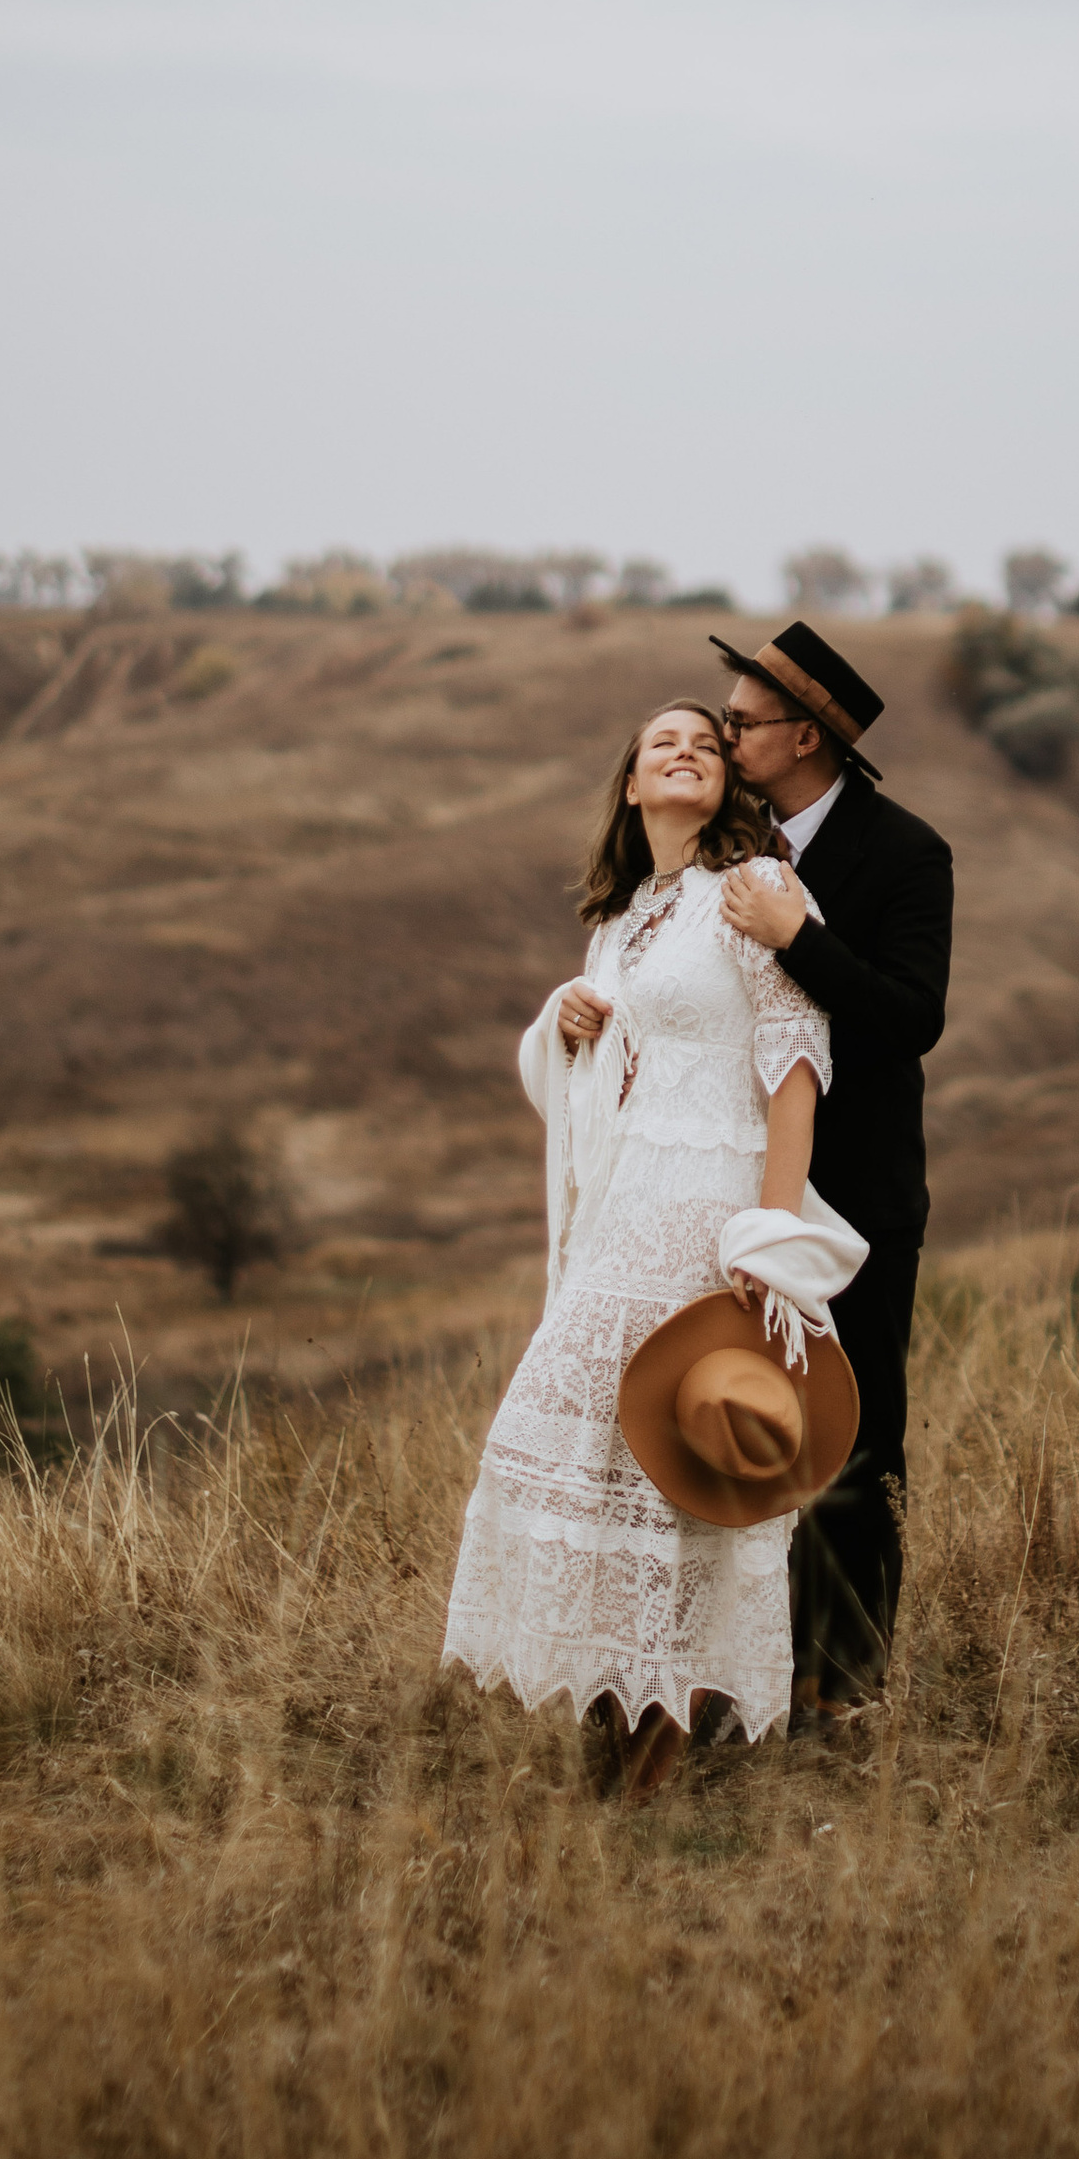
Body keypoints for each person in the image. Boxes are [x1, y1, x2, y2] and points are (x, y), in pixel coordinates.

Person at [440, 700, 843, 1798]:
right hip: (624, 1209)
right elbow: (603, 1077)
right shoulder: (620, 923)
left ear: (727, 783)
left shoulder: (751, 895)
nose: (684, 752)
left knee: (678, 1458)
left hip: (710, 1206)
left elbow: (792, 1067)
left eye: (706, 745)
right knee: (587, 1441)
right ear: (629, 786)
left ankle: (656, 1744)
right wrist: (563, 1021)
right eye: (661, 743)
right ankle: (618, 1704)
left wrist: (766, 1237)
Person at [709, 620, 953, 1721]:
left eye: (743, 722)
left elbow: (911, 1019)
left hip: (857, 1193)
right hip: (730, 1188)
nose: (725, 735)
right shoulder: (726, 842)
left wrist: (795, 936)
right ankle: (741, 1668)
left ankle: (845, 1683)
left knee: (854, 1428)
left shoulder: (908, 853)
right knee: (736, 1424)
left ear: (804, 735)